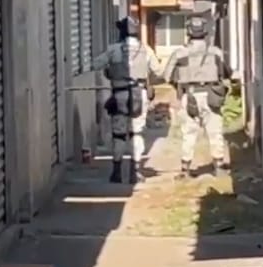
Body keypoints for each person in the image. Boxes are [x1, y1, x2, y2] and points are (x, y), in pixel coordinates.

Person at [92, 16, 166, 184]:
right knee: (137, 133)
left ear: (122, 32)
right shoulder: (146, 50)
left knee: (118, 135)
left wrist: (110, 71)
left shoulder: (113, 49)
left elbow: (96, 64)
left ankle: (116, 172)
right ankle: (135, 171)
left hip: (119, 95)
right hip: (139, 95)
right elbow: (158, 71)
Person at [163, 14, 234, 179]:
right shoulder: (215, 52)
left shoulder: (180, 53)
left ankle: (185, 168)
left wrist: (180, 86)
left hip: (189, 95)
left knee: (188, 133)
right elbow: (226, 73)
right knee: (215, 131)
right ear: (205, 32)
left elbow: (167, 76)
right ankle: (219, 166)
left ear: (188, 32)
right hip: (212, 95)